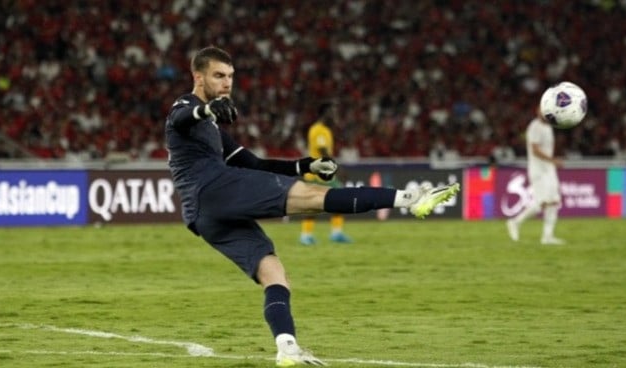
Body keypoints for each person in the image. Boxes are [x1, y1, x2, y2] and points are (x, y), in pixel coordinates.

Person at [165, 46, 460, 367]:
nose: (227, 83)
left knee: (274, 272)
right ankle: (412, 199)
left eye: (231, 77)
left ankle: (287, 347)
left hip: (203, 215)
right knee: (313, 198)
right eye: (218, 76)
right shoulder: (187, 105)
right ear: (198, 76)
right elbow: (181, 119)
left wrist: (307, 165)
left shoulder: (214, 130)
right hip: (213, 190)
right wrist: (206, 111)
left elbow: (256, 164)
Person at [506, 108, 564, 245]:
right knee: (541, 204)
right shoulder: (534, 127)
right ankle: (515, 222)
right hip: (538, 170)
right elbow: (535, 150)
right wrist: (553, 160)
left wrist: (551, 163)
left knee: (554, 201)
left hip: (549, 169)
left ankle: (547, 237)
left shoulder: (549, 126)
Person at [299, 101, 351, 245]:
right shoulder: (318, 130)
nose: (334, 115)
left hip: (326, 173)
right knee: (313, 205)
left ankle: (336, 232)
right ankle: (306, 235)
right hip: (316, 174)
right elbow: (323, 152)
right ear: (326, 113)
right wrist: (338, 168)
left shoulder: (326, 130)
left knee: (340, 200)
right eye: (332, 112)